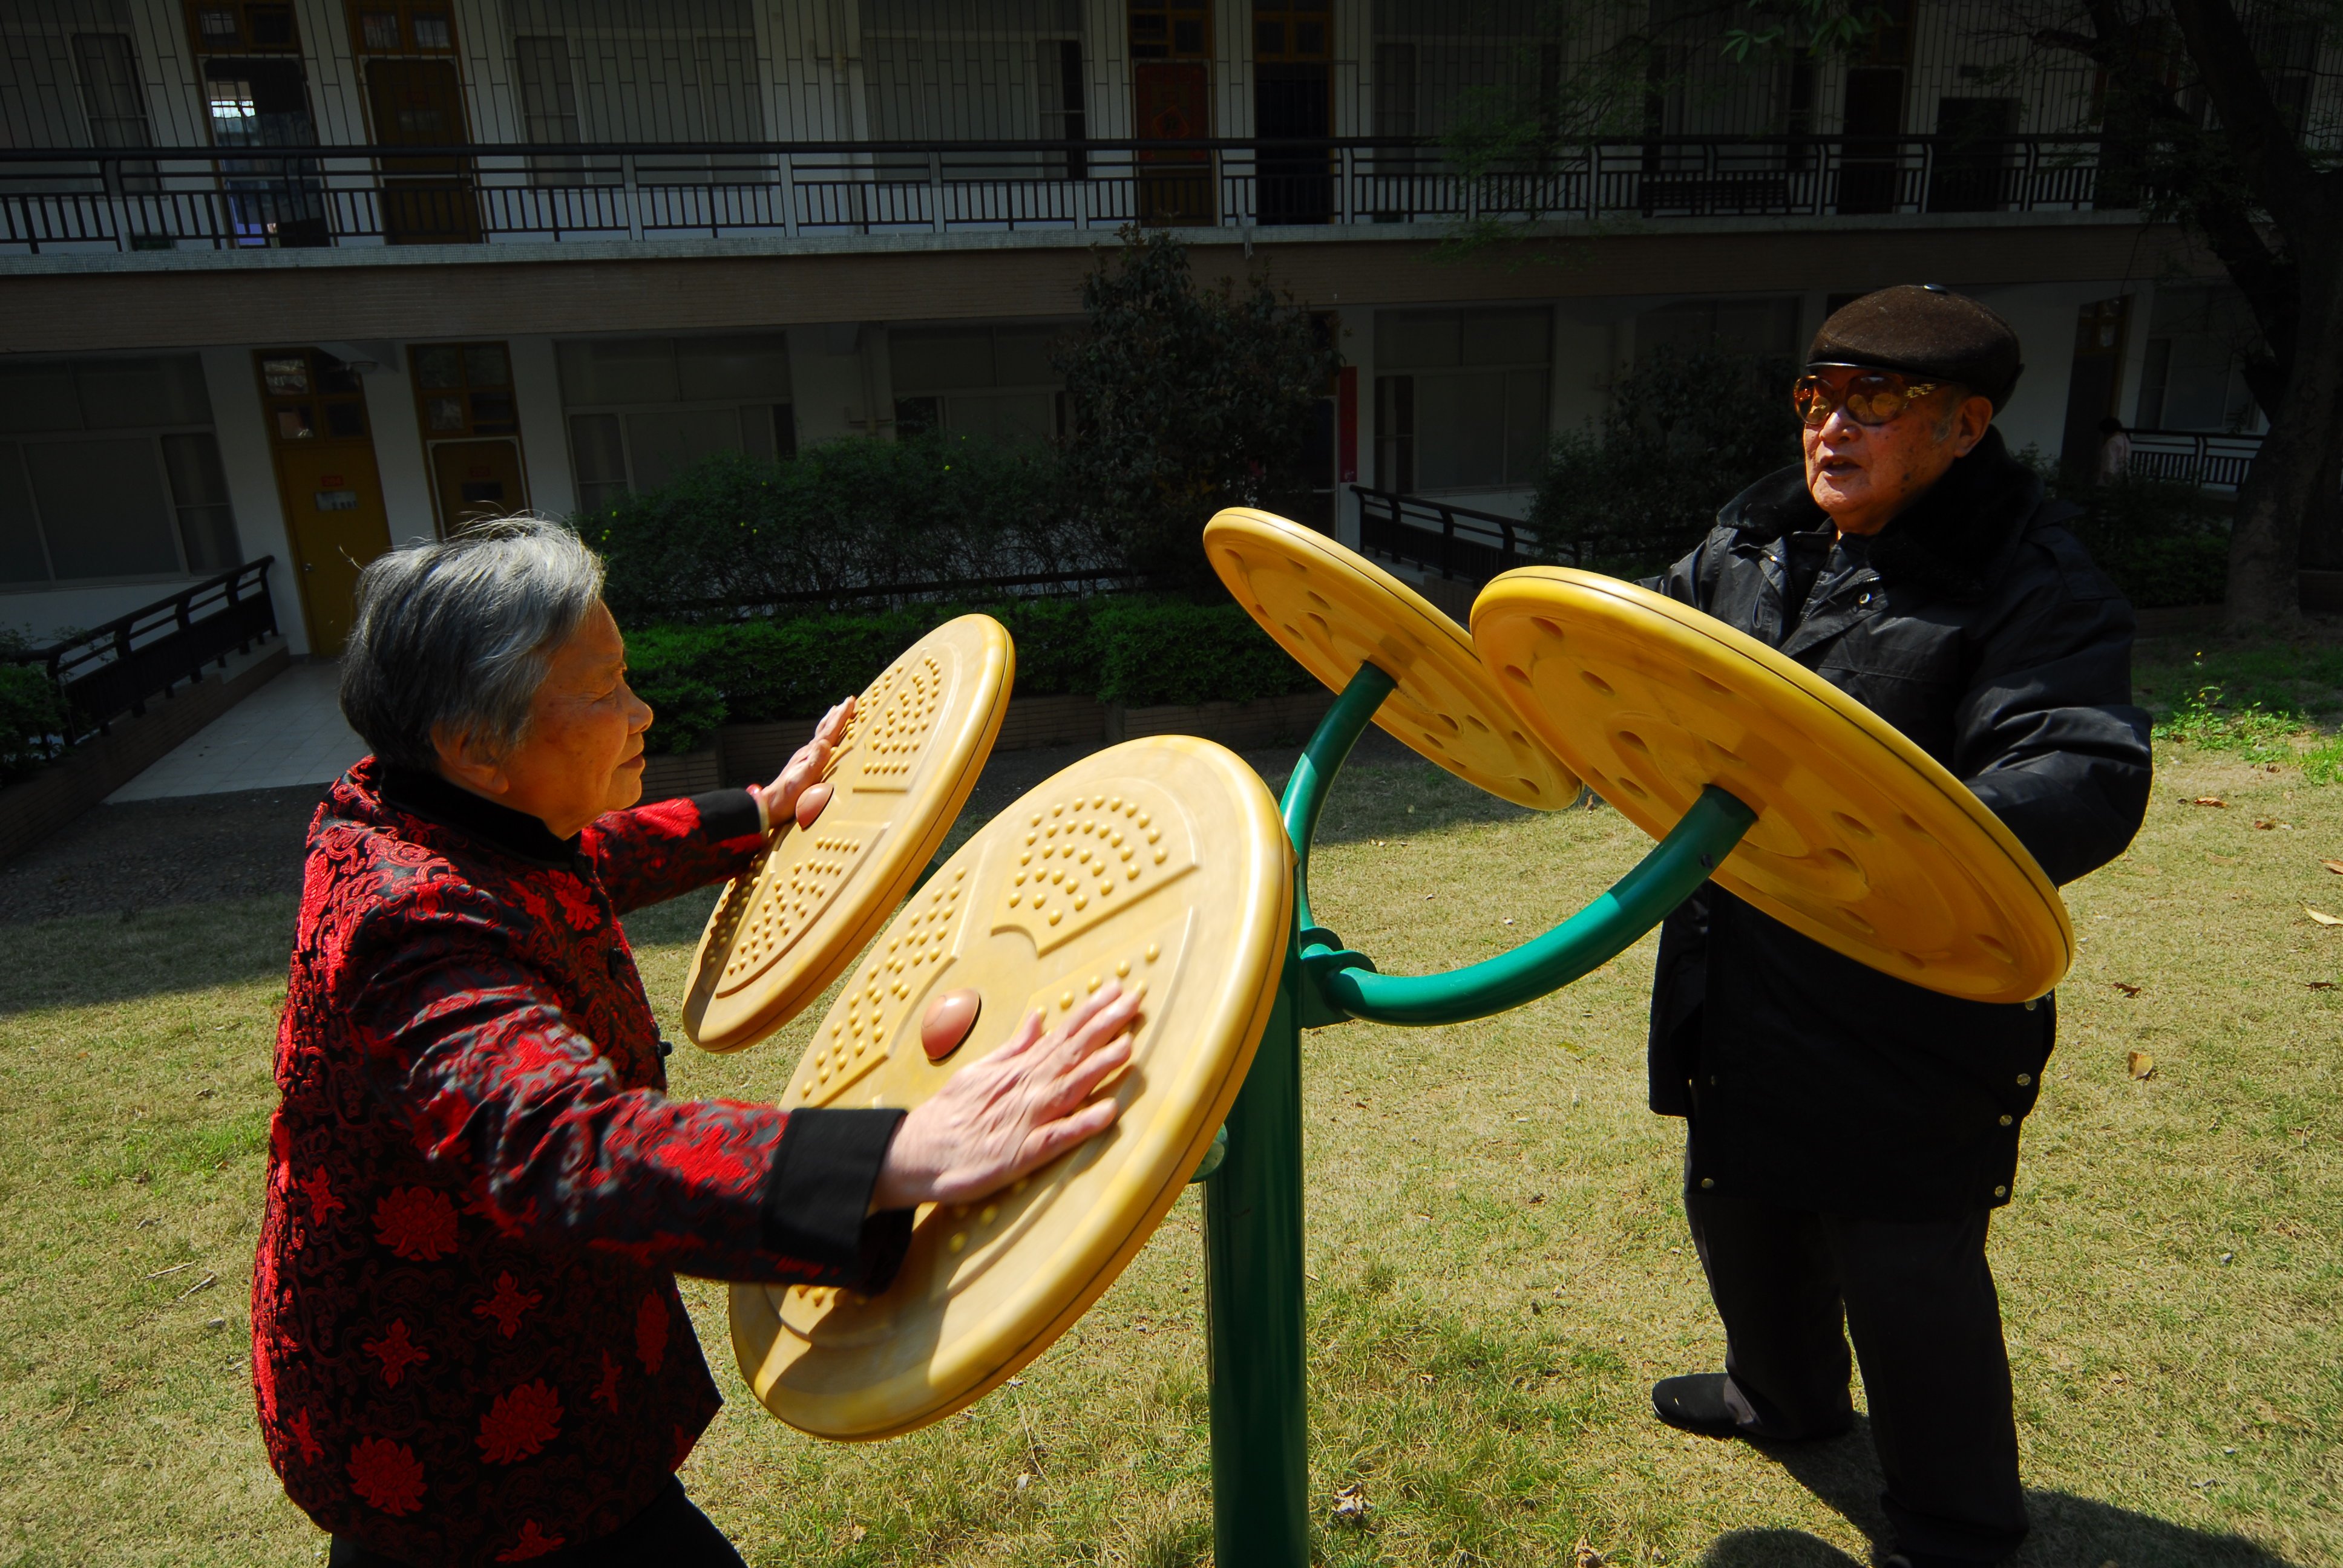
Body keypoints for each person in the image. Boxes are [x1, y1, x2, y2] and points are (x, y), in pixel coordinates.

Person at [253, 518, 1138, 1567]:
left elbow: (576, 858)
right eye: (605, 690)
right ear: (477, 746)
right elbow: (562, 1145)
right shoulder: (407, 924)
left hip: (510, 1382)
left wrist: (757, 811)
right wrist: (903, 1152)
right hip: (456, 1439)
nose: (642, 711)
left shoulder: (430, 811)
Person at [1639, 286, 2152, 1568]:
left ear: (1965, 427)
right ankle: (1781, 1395)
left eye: (1874, 400)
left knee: (1901, 1256)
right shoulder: (1753, 536)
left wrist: (1907, 845)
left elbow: (2081, 763)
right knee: (1739, 1194)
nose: (1831, 425)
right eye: (1817, 396)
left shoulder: (2025, 574)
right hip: (1742, 954)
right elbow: (1644, 649)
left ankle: (1955, 1521)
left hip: (1906, 980)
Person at [2096, 415, 2132, 483]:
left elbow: (2110, 460)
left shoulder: (2112, 442)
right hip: (2124, 476)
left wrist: (2108, 477)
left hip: (2111, 477)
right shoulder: (2125, 440)